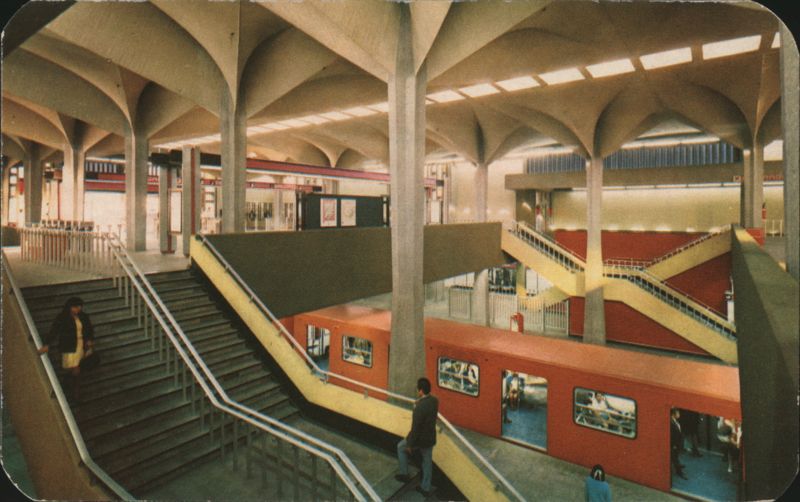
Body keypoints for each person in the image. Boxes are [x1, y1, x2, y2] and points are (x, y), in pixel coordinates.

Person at [38, 297, 94, 402]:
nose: (78, 309)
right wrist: (47, 344)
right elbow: (54, 330)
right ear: (69, 307)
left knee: (77, 369)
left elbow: (89, 329)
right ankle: (68, 386)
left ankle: (75, 393)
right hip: (69, 347)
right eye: (76, 307)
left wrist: (90, 341)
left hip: (80, 346)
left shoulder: (83, 316)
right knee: (73, 370)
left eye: (80, 307)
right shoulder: (62, 317)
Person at [395, 377, 439, 497]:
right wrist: (420, 402)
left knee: (400, 447)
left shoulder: (419, 408)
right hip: (430, 438)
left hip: (419, 439)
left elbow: (415, 429)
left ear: (420, 391)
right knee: (427, 461)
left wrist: (409, 444)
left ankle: (404, 474)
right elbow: (428, 407)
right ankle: (425, 487)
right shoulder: (435, 401)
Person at [670, 408, 687, 479]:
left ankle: (678, 466)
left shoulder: (675, 421)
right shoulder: (671, 423)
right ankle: (679, 472)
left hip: (677, 443)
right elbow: (672, 435)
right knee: (675, 458)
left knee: (675, 457)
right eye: (678, 413)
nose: (679, 414)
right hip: (674, 444)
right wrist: (674, 445)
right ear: (673, 415)